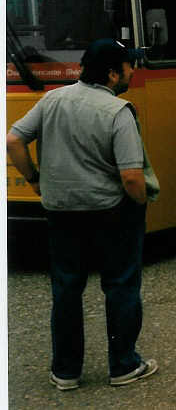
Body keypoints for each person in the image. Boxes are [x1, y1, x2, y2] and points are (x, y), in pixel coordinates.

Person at [6, 38, 159, 391]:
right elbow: (132, 176)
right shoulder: (119, 112)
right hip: (110, 212)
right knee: (120, 285)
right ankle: (123, 365)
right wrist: (139, 203)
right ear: (111, 73)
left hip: (61, 212)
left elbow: (13, 140)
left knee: (66, 288)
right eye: (128, 65)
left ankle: (65, 372)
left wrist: (34, 180)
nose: (132, 71)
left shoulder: (52, 100)